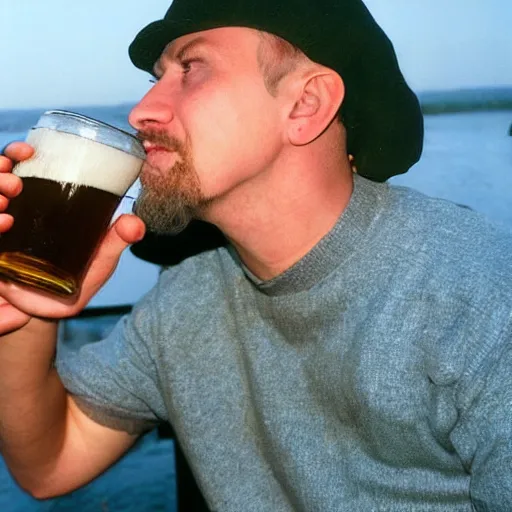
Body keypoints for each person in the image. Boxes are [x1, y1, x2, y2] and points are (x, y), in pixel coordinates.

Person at [0, 0, 511, 510]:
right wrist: (24, 301)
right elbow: (49, 464)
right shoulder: (189, 296)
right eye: (155, 80)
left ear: (306, 104)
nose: (142, 111)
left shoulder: (481, 298)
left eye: (190, 69)